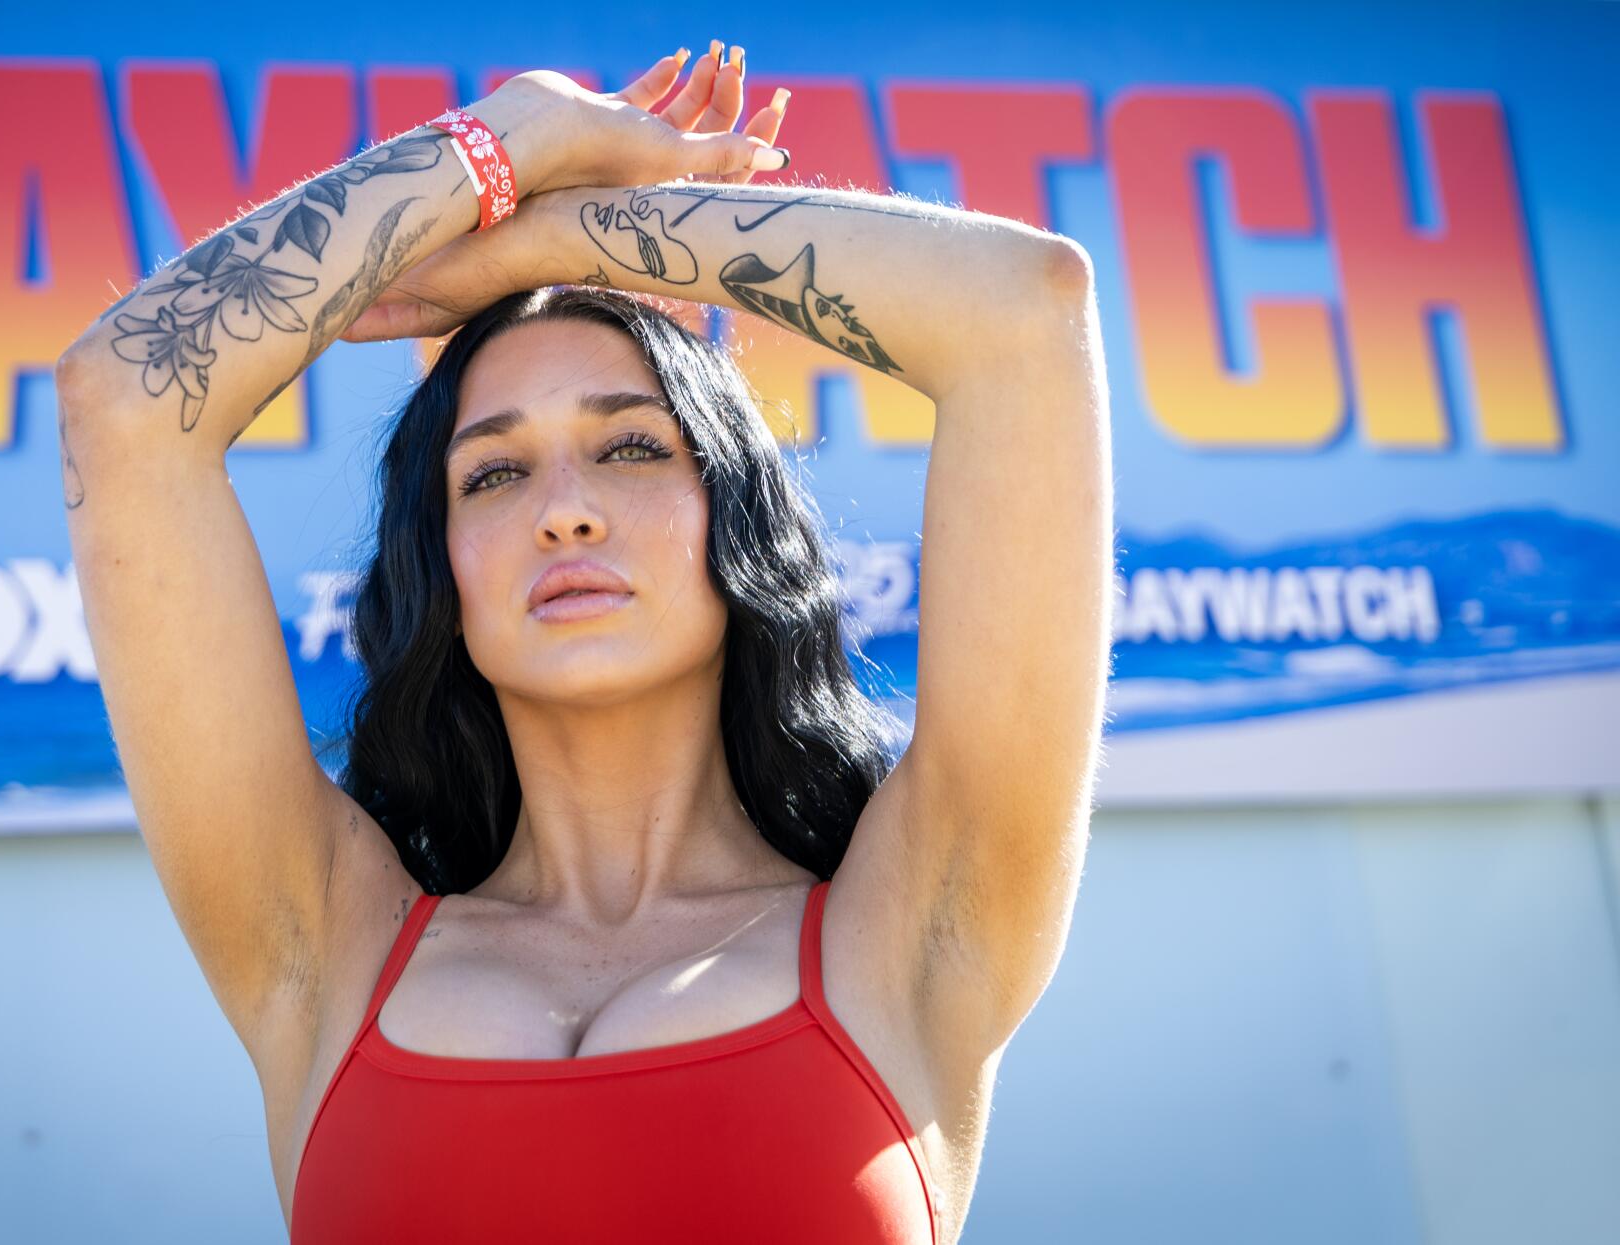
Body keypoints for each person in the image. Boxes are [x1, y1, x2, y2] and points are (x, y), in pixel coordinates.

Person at [54, 41, 1111, 1245]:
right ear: (439, 567)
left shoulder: (917, 921)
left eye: (628, 447)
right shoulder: (322, 945)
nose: (565, 507)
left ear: (734, 515)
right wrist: (514, 138)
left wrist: (543, 248)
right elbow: (121, 399)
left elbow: (1026, 310)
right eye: (493, 471)